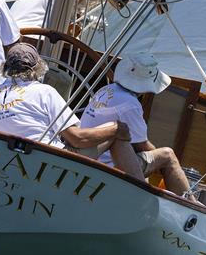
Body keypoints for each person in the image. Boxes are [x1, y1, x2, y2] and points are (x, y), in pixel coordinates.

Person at [0, 43, 143, 176]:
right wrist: (117, 129)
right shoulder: (44, 92)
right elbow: (77, 139)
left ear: (5, 68)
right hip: (46, 167)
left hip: (2, 164)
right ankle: (140, 195)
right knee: (116, 131)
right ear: (37, 68)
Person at [80, 54, 197, 200]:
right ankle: (192, 205)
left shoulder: (106, 89)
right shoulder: (130, 104)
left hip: (91, 157)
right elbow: (142, 146)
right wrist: (165, 167)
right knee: (168, 155)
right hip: (110, 165)